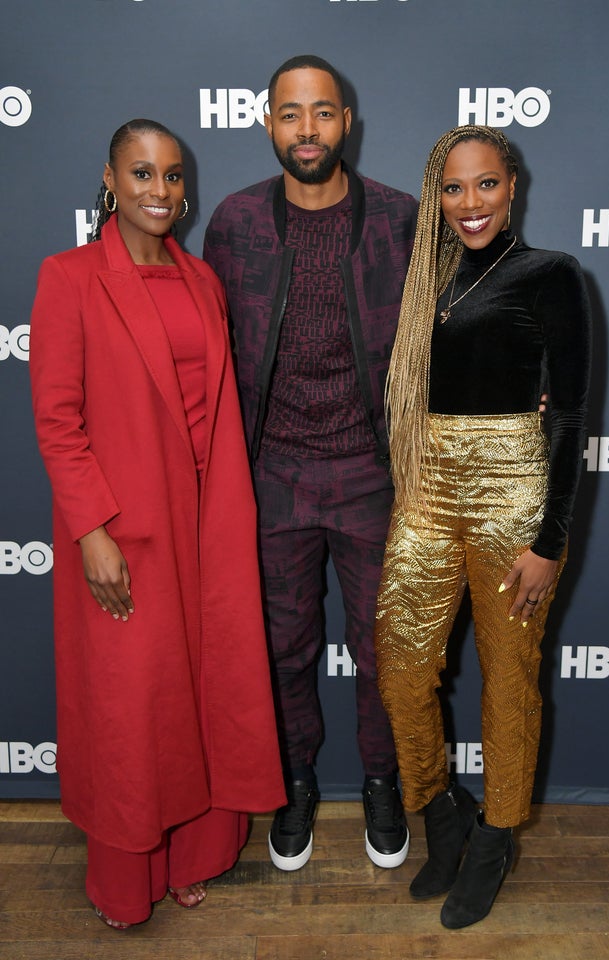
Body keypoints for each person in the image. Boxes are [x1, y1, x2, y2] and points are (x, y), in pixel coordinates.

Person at [29, 119, 285, 929]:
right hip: (126, 526)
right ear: (111, 176)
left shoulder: (202, 280)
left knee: (207, 692)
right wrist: (90, 531)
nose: (160, 191)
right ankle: (124, 879)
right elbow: (58, 421)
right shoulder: (69, 277)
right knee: (135, 707)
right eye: (142, 173)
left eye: (173, 176)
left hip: (210, 523)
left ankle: (196, 856)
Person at [203, 56, 417, 872]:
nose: (307, 130)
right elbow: (205, 351)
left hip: (374, 478)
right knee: (283, 650)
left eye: (322, 113)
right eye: (290, 115)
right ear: (268, 125)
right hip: (273, 480)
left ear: (346, 123)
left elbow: (445, 333)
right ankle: (293, 781)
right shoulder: (235, 223)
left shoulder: (399, 219)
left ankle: (380, 781)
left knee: (383, 649)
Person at [375, 125, 591, 928]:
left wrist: (550, 540)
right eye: (455, 188)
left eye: (487, 185)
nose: (471, 203)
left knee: (509, 678)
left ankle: (497, 838)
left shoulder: (551, 275)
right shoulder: (422, 282)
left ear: (513, 187)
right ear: (437, 194)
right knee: (401, 667)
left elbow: (567, 415)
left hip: (514, 497)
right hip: (426, 490)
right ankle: (441, 815)